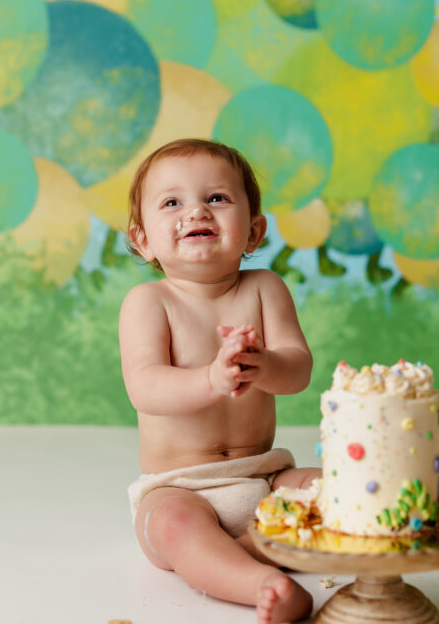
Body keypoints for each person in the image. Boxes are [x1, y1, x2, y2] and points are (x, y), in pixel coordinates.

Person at [119, 138, 319, 623]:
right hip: (179, 486)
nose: (196, 212)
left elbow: (299, 370)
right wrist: (212, 378)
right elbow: (145, 387)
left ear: (253, 231)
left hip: (264, 477)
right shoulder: (149, 303)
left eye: (216, 198)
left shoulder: (266, 289)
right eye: (172, 202)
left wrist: (266, 365)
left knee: (341, 489)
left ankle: (246, 550)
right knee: (173, 527)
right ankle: (264, 583)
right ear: (142, 238)